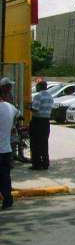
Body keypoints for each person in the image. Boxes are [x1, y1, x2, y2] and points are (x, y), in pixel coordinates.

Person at [0, 78, 19, 209]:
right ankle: (8, 200)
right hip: (6, 150)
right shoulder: (10, 107)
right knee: (5, 177)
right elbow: (19, 114)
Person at [29, 80, 54, 170]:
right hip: (46, 122)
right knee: (44, 143)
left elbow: (35, 109)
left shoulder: (38, 96)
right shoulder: (50, 96)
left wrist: (29, 107)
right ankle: (45, 163)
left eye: (37, 86)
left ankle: (36, 164)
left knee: (35, 143)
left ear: (40, 87)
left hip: (37, 121)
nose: (36, 88)